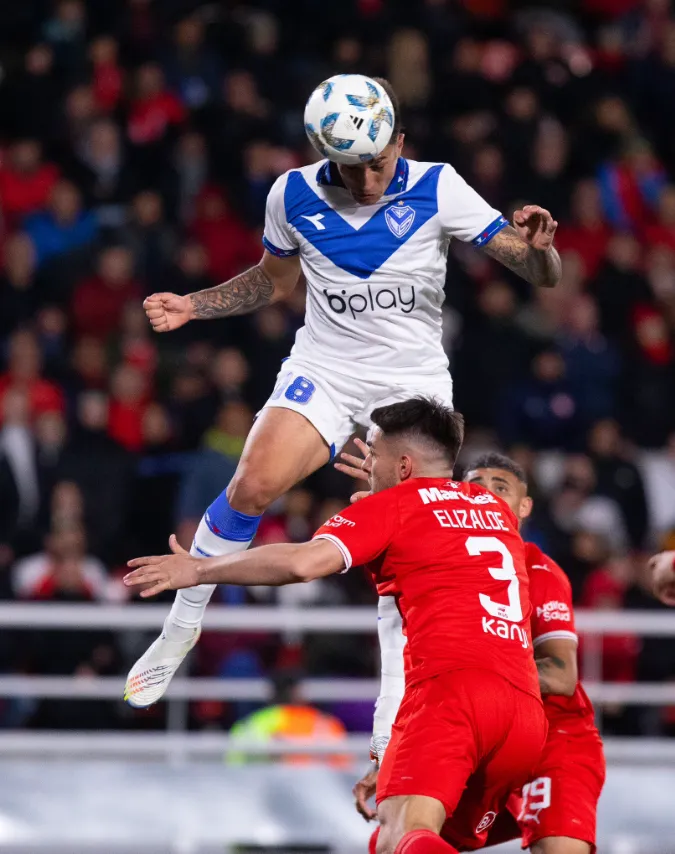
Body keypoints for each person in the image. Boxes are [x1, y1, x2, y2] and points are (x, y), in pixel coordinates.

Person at [124, 75, 561, 707]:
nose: (366, 181)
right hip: (327, 369)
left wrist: (542, 251)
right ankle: (182, 626)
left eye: (376, 163)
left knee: (411, 538)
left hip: (412, 382)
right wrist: (196, 305)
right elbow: (275, 282)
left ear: (400, 141)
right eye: (350, 167)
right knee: (250, 485)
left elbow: (539, 272)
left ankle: (391, 714)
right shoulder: (292, 193)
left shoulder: (440, 186)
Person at [124, 398, 547, 854]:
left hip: (453, 696)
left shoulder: (393, 507)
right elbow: (442, 527)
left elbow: (303, 563)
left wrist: (199, 569)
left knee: (400, 837)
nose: (367, 469)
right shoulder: (495, 509)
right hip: (523, 713)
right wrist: (390, 485)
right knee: (414, 839)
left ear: (404, 466)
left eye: (374, 456)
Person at [346, 450, 604, 854]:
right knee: (396, 838)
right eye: (476, 485)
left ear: (524, 506)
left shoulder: (537, 569)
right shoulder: (442, 561)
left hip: (555, 738)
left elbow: (561, 674)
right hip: (477, 726)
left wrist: (486, 661)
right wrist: (388, 757)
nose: (486, 493)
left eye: (500, 487)